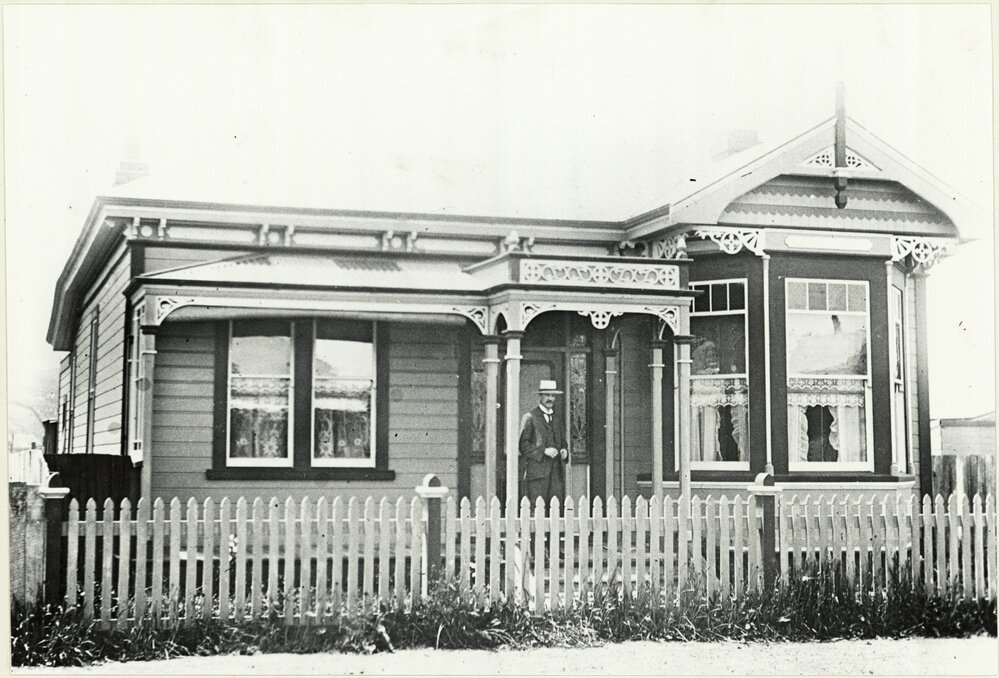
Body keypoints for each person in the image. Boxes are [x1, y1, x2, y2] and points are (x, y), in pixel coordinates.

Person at [518, 380, 569, 511]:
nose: (550, 399)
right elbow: (523, 446)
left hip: (556, 475)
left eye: (552, 396)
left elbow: (563, 443)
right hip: (537, 476)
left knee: (556, 511)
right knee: (537, 510)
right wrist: (544, 451)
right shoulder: (530, 417)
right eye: (547, 395)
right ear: (540, 396)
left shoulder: (557, 419)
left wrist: (564, 451)